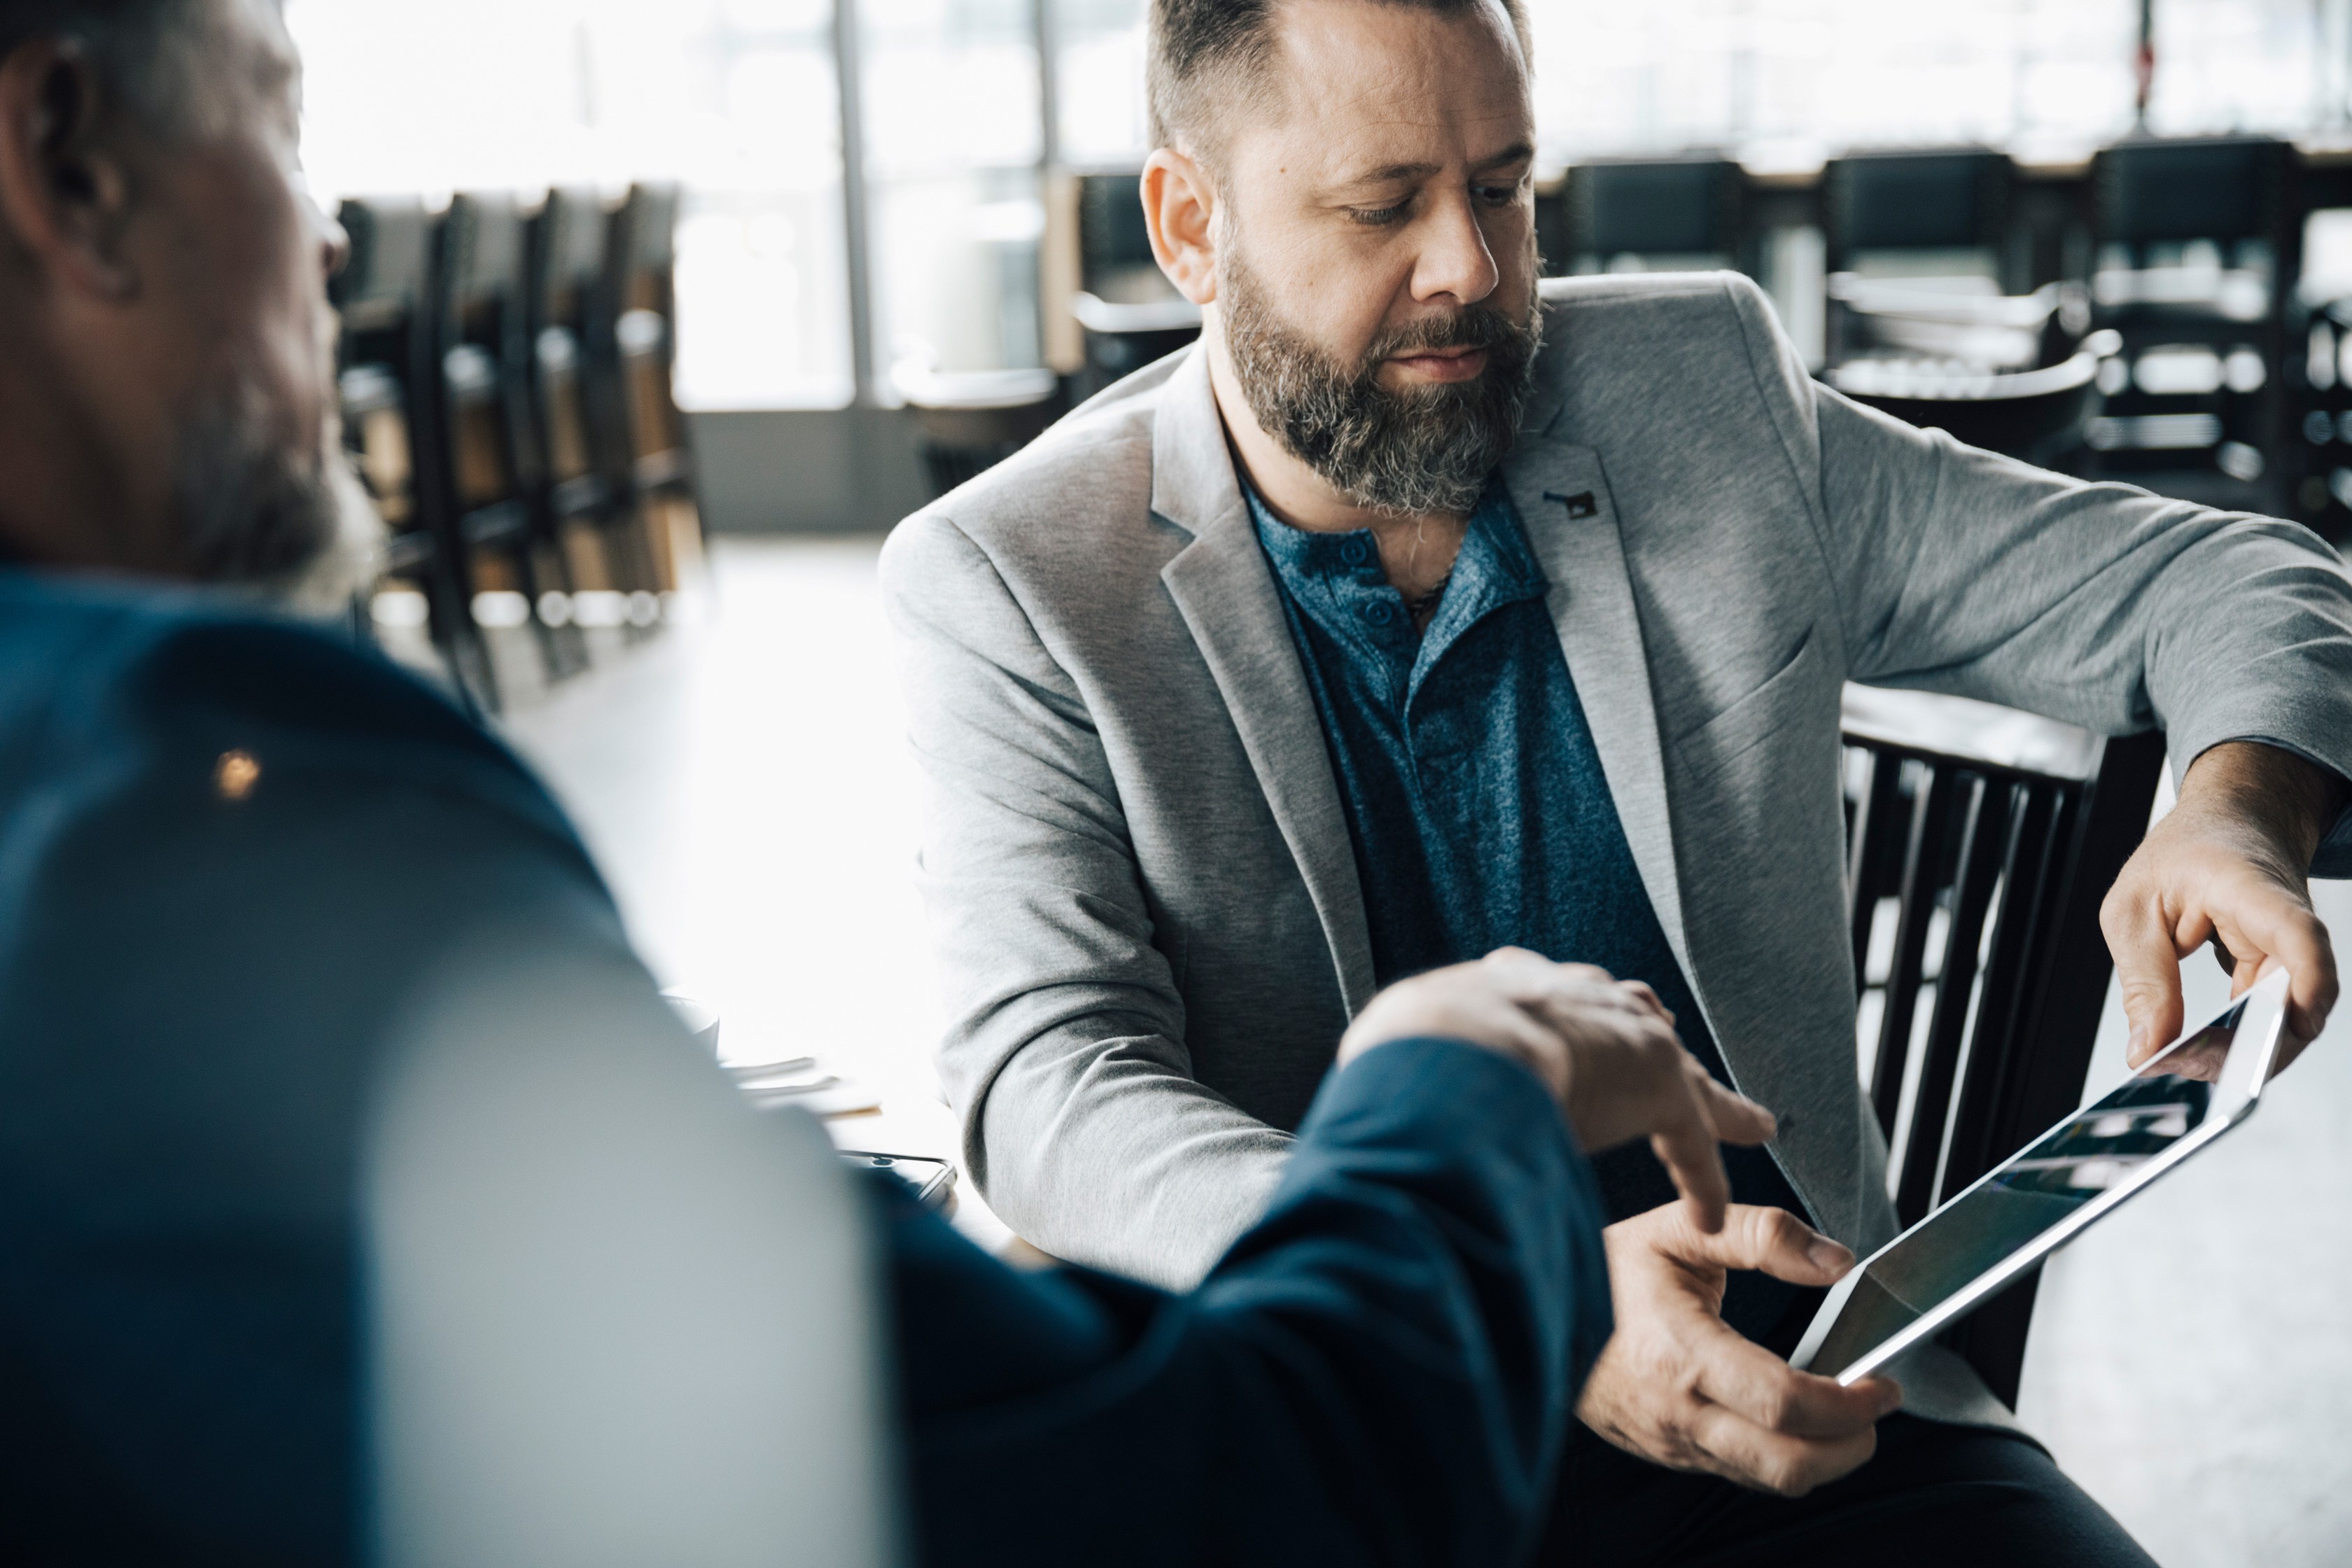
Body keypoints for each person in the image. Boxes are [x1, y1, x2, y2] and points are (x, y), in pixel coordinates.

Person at [0, 2, 1777, 1563]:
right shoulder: (186, 810)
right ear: (65, 161)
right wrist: (1457, 1071)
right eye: (280, 123)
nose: (324, 241)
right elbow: (1217, 1493)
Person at [878, 0, 2352, 1558]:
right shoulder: (1011, 578)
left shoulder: (1693, 390)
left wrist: (2236, 808)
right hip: (1357, 1421)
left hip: (1798, 1384)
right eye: (1384, 205)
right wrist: (1508, 1288)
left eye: (1503, 186)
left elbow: (2232, 578)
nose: (1471, 269)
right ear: (1192, 224)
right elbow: (1050, 1081)